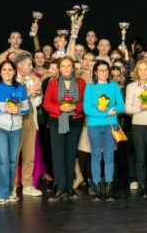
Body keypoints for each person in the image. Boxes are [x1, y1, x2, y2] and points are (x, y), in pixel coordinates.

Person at [0, 60, 30, 205]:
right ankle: (2, 194)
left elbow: (26, 108)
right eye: (4, 70)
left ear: (14, 71)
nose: (7, 72)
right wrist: (3, 108)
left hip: (16, 129)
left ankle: (11, 191)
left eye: (10, 70)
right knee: (3, 161)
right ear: (0, 72)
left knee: (12, 161)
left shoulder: (20, 88)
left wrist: (19, 110)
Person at [43, 57, 87, 199]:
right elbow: (46, 103)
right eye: (63, 66)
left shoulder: (81, 82)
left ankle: (69, 187)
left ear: (73, 68)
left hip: (75, 121)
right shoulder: (53, 83)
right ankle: (60, 187)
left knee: (70, 154)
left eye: (69, 66)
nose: (66, 68)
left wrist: (76, 107)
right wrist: (59, 108)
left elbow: (85, 102)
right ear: (59, 69)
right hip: (58, 120)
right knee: (58, 155)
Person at [83, 60, 124, 200]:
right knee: (96, 156)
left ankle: (109, 187)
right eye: (100, 70)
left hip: (110, 126)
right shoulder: (90, 87)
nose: (104, 73)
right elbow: (87, 109)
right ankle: (96, 187)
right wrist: (107, 113)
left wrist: (112, 110)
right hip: (94, 125)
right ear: (95, 72)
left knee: (109, 156)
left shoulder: (114, 86)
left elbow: (121, 106)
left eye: (106, 70)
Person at [124, 60, 147, 199]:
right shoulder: (131, 87)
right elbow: (127, 108)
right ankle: (142, 185)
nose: (144, 72)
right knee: (140, 157)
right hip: (138, 125)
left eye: (146, 69)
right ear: (137, 72)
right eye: (141, 69)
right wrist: (140, 107)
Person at [13, 52, 45, 197]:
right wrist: (27, 93)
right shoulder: (11, 80)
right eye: (28, 64)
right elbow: (11, 100)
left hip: (30, 117)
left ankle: (28, 185)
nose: (31, 67)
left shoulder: (29, 79)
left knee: (29, 154)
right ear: (19, 65)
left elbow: (36, 102)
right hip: (17, 119)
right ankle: (13, 187)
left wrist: (37, 95)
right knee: (14, 155)